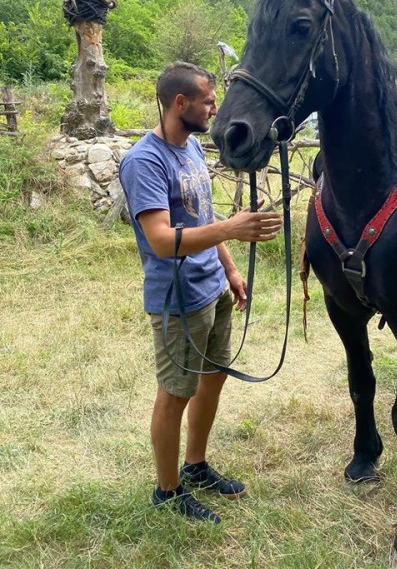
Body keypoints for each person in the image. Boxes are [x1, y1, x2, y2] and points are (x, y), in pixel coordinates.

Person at [119, 61, 282, 524]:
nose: (214, 109)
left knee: (214, 378)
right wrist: (232, 228)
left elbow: (201, 216)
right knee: (175, 393)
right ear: (180, 103)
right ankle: (167, 491)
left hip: (212, 286)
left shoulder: (190, 147)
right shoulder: (144, 162)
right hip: (178, 299)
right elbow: (160, 239)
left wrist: (229, 268)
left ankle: (195, 465)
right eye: (208, 101)